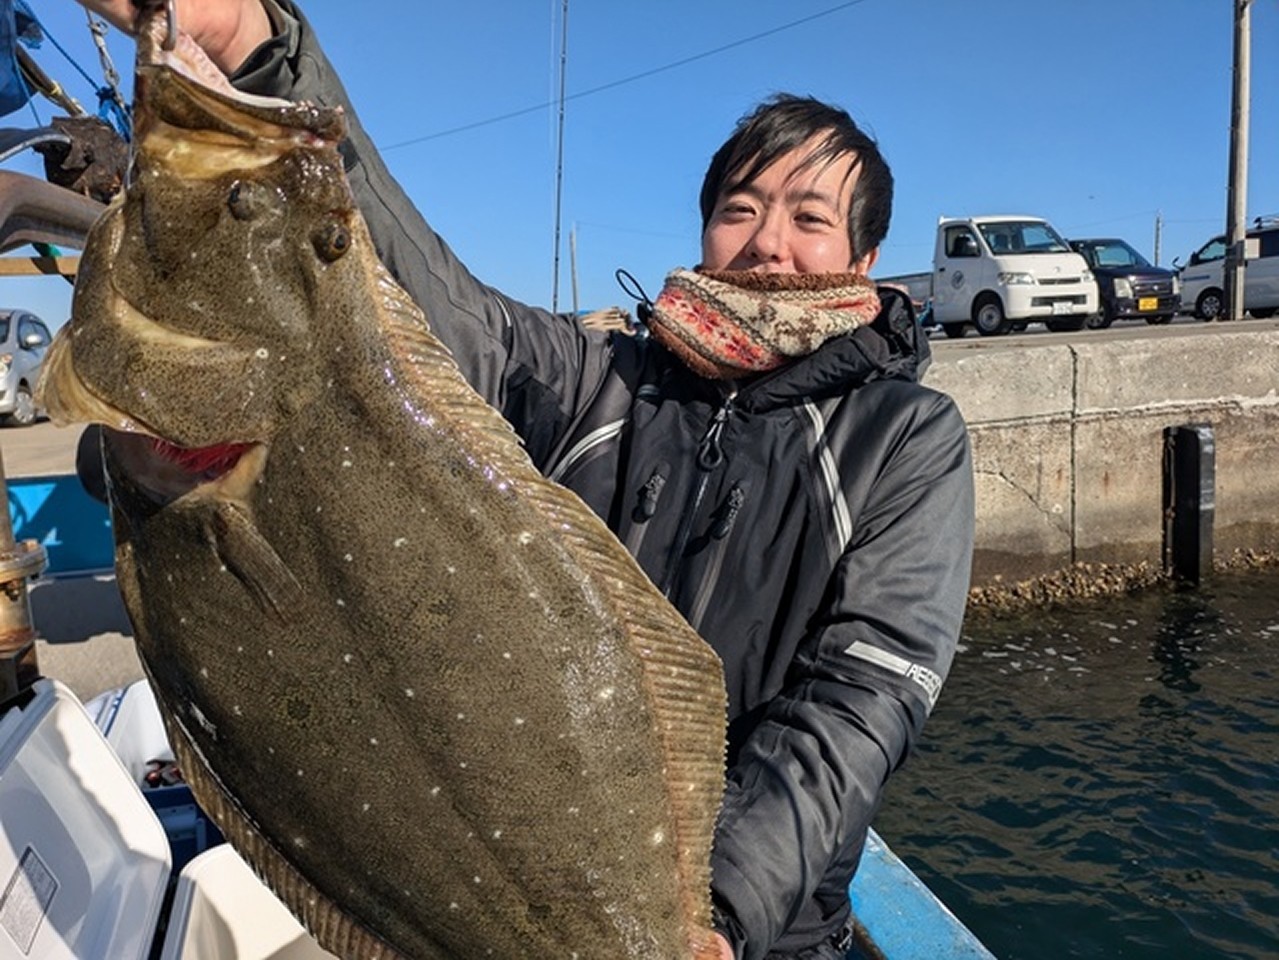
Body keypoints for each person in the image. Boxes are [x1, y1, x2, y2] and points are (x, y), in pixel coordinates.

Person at [76, 2, 976, 957]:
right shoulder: (606, 379)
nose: (766, 242)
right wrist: (254, 51)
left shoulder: (904, 439)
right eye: (739, 208)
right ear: (706, 227)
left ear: (864, 259)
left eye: (809, 218)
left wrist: (711, 913)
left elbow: (857, 702)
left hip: (756, 933)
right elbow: (439, 301)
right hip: (505, 882)